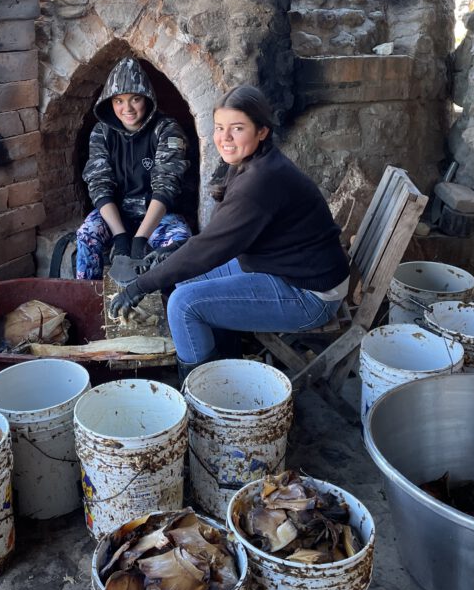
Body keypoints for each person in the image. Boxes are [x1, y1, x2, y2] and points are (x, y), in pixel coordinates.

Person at [110, 85, 350, 378]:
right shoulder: (251, 164)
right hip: (281, 267)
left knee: (184, 305)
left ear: (261, 131)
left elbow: (209, 248)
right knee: (184, 282)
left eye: (237, 128)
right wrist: (173, 252)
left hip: (309, 294)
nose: (224, 138)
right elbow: (217, 237)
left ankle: (202, 390)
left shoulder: (260, 181)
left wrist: (139, 286)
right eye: (220, 127)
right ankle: (225, 359)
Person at [77, 57, 192, 279]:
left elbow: (166, 186)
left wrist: (140, 239)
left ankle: (170, 305)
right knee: (86, 234)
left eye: (135, 99)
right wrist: (120, 236)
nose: (127, 108)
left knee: (180, 241)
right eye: (118, 100)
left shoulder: (167, 129)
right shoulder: (102, 132)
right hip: (116, 214)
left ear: (147, 99)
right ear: (109, 102)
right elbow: (99, 184)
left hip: (158, 214)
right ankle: (91, 300)